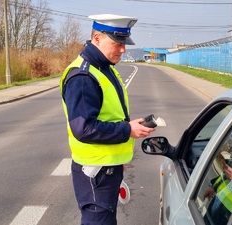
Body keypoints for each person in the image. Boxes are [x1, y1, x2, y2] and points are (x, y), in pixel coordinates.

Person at [59, 14, 155, 225]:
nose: (123, 49)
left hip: (106, 168)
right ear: (97, 38)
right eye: (117, 43)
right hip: (96, 173)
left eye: (124, 43)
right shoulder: (84, 77)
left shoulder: (104, 68)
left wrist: (119, 156)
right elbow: (83, 129)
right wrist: (127, 130)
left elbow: (111, 116)